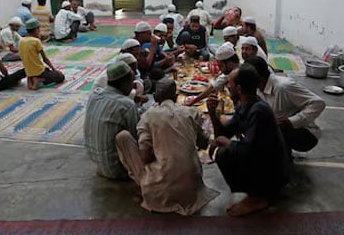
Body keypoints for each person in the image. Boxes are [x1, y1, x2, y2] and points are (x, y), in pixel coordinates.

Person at [116, 78, 219, 215]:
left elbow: (145, 157)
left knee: (122, 137)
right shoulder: (191, 113)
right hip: (192, 187)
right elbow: (203, 143)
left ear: (156, 98)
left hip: (162, 187)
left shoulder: (147, 116)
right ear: (176, 97)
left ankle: (147, 187)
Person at [206, 64, 291, 216]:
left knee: (223, 153)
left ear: (238, 89)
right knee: (218, 146)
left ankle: (258, 197)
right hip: (259, 160)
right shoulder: (245, 105)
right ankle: (255, 191)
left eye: (229, 84)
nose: (227, 87)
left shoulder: (259, 111)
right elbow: (224, 132)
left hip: (273, 172)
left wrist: (225, 142)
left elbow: (247, 150)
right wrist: (213, 113)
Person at [244, 56, 325, 153]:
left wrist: (292, 121)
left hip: (304, 133)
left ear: (258, 77)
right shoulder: (257, 89)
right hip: (279, 129)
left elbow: (318, 103)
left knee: (267, 132)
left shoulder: (284, 87)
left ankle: (282, 156)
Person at [84, 61, 140, 180]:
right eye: (131, 81)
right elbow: (136, 139)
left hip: (96, 161)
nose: (133, 85)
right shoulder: (127, 105)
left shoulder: (94, 94)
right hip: (115, 168)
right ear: (124, 82)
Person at [19, 18, 65, 90]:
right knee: (61, 77)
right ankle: (38, 80)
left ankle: (31, 79)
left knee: (31, 66)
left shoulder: (21, 40)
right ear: (37, 29)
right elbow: (45, 59)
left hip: (28, 71)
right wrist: (54, 70)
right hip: (39, 71)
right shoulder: (36, 41)